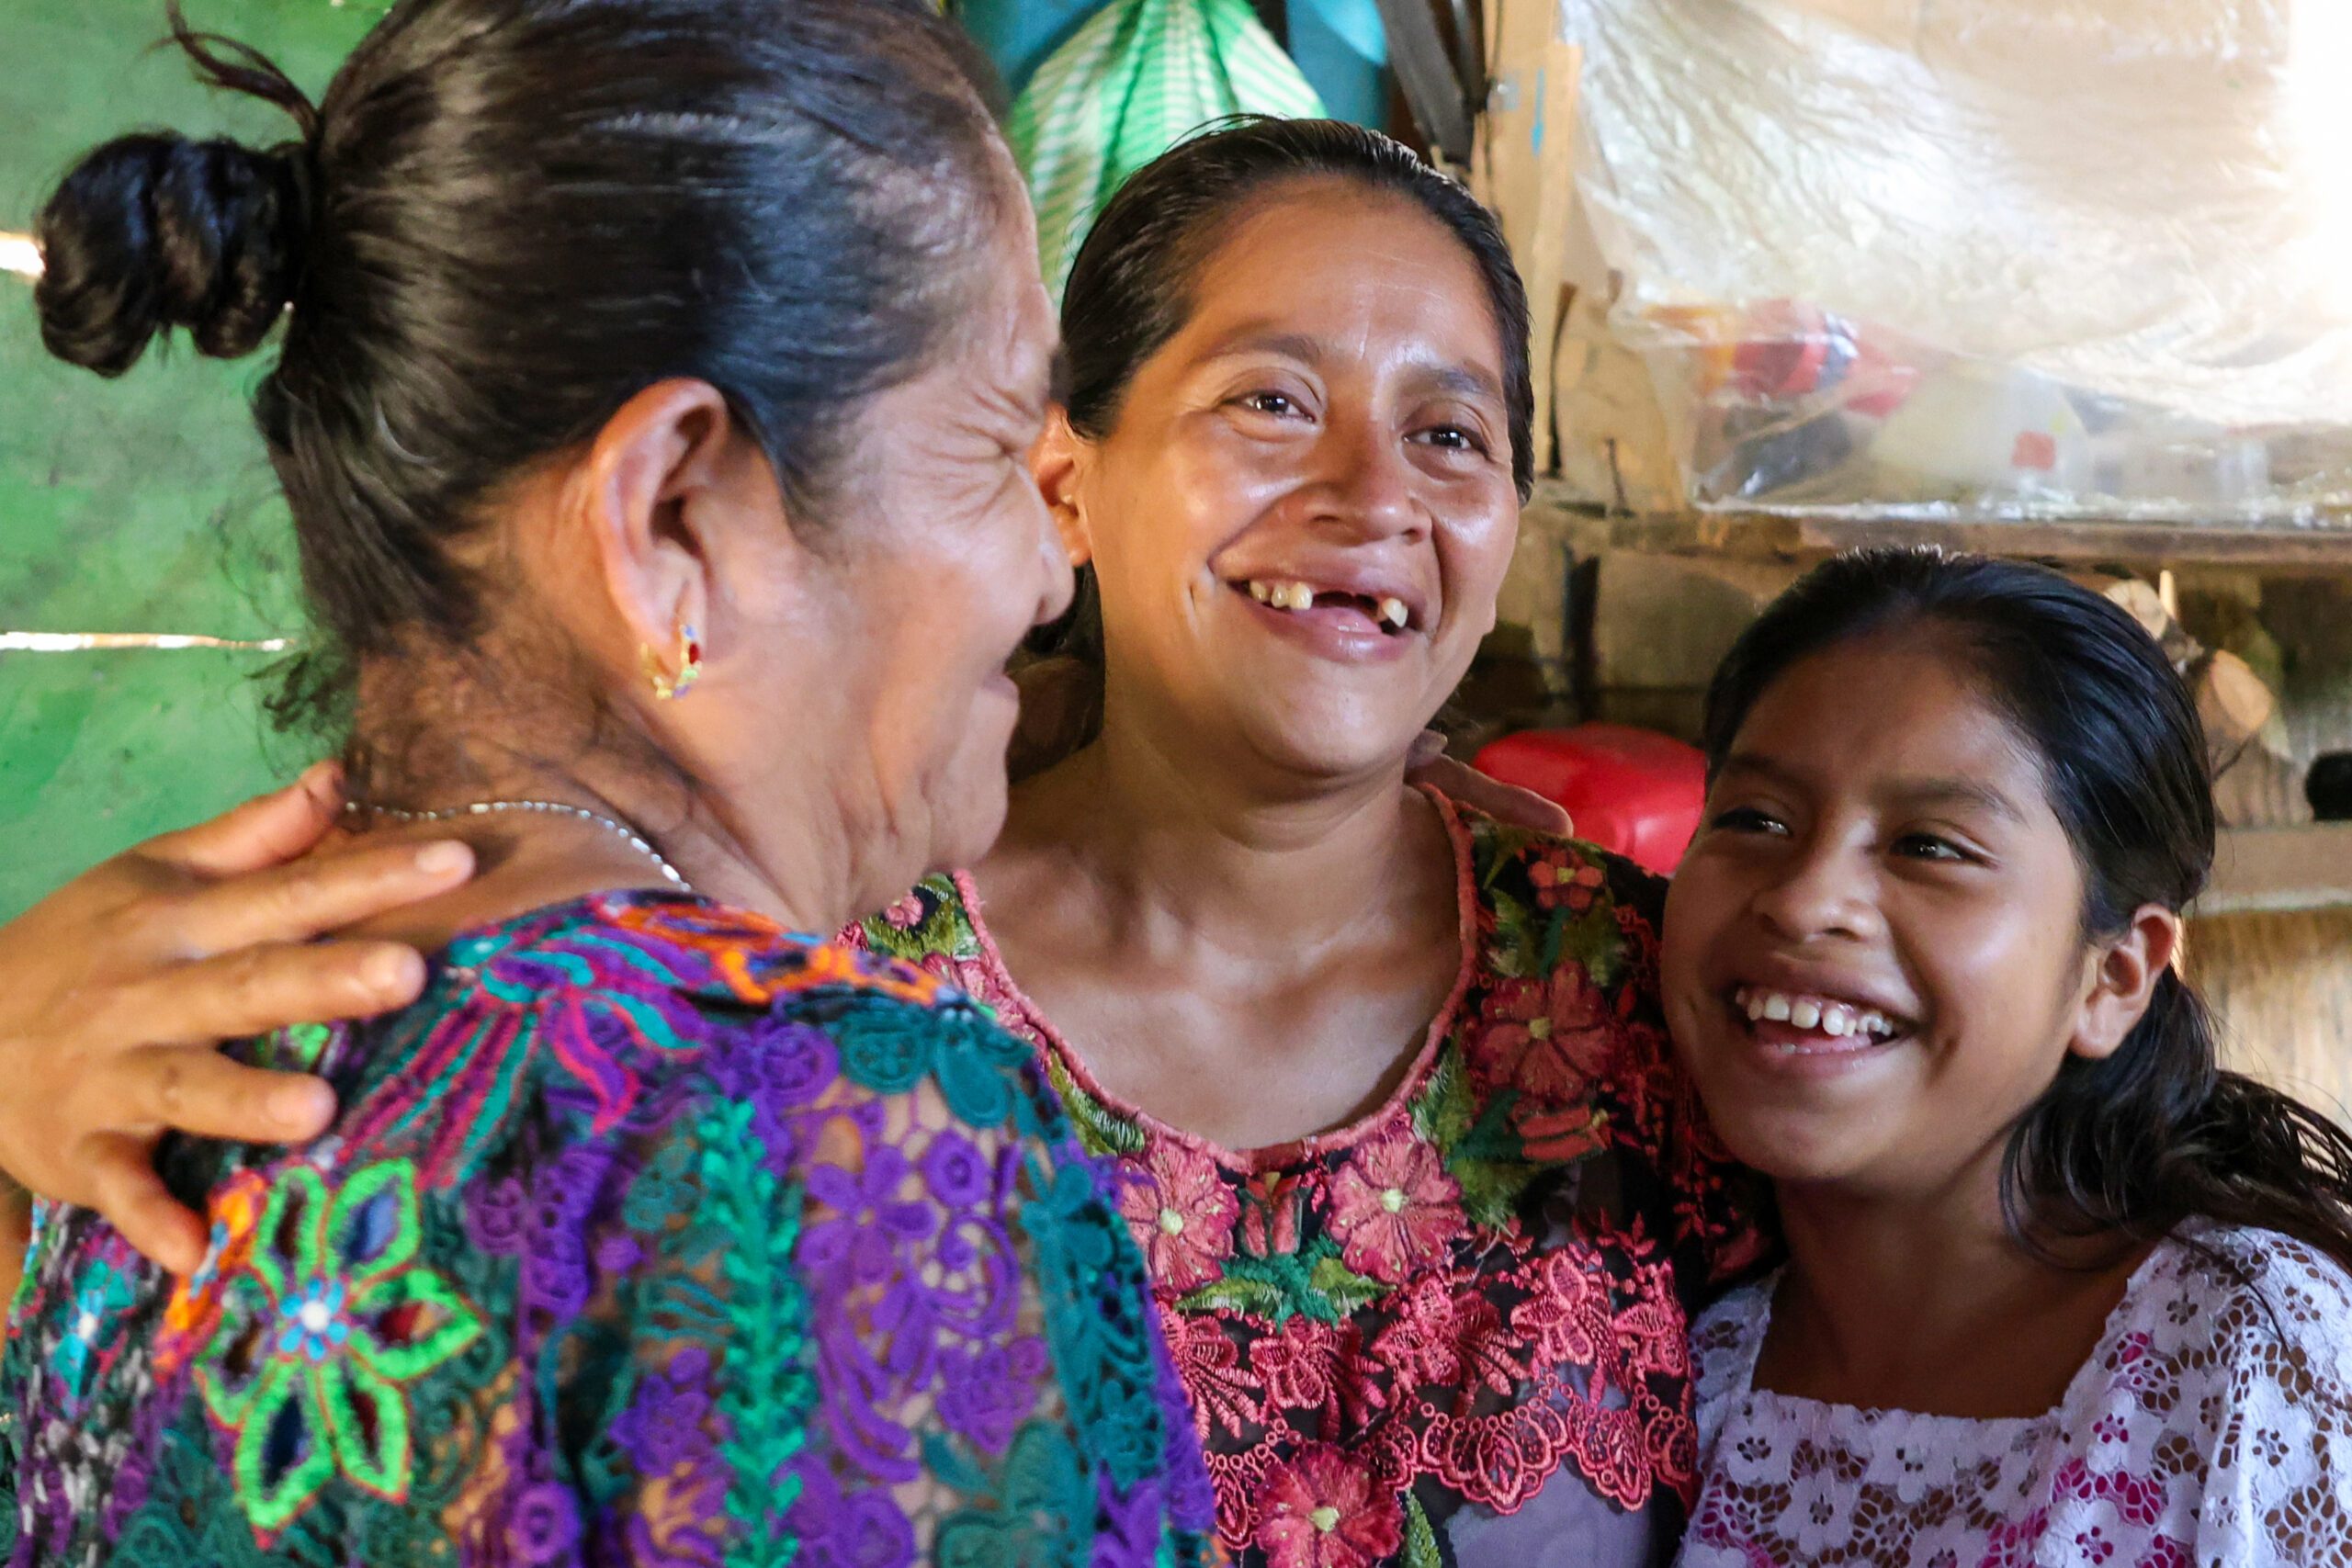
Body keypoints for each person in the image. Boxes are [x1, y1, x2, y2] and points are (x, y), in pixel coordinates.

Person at [0, 118, 1749, 1568]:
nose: (1378, 496)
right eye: (988, 451)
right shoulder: (846, 1067)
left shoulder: (1647, 979)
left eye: (1454, 433)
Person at [0, 1, 1224, 1562]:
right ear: (671, 520)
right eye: (993, 447)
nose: (1050, 569)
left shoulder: (122, 1079)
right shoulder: (820, 1138)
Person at [1660, 549, 2352, 1566]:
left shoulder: (2252, 1359)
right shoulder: (1672, 1361)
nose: (1805, 898)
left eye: (1928, 845)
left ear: (2113, 976)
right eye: (1756, 819)